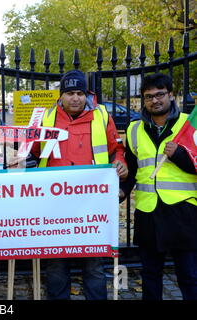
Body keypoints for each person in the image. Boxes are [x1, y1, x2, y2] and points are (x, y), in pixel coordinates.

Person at [31, 69, 128, 300]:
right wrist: (20, 161)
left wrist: (120, 163)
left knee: (94, 264)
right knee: (56, 263)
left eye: (80, 93)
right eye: (70, 93)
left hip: (92, 204)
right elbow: (32, 154)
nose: (76, 98)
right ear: (61, 95)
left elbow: (117, 150)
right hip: (53, 204)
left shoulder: (102, 116)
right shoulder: (46, 118)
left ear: (87, 94)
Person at [120, 73, 197, 300]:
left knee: (189, 275)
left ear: (171, 95)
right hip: (148, 212)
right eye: (149, 97)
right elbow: (132, 170)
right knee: (150, 275)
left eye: (160, 94)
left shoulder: (188, 125)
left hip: (183, 212)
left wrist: (181, 156)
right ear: (144, 100)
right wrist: (122, 191)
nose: (155, 100)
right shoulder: (134, 130)